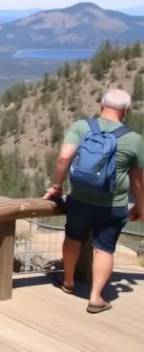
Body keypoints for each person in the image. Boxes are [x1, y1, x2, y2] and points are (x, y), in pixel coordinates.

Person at [44, 88, 144, 313]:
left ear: (101, 105)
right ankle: (95, 297)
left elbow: (63, 157)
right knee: (104, 249)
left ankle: (68, 281)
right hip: (113, 204)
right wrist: (140, 205)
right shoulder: (134, 139)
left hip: (78, 199)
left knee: (72, 237)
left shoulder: (81, 127)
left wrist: (57, 186)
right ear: (126, 111)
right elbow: (138, 180)